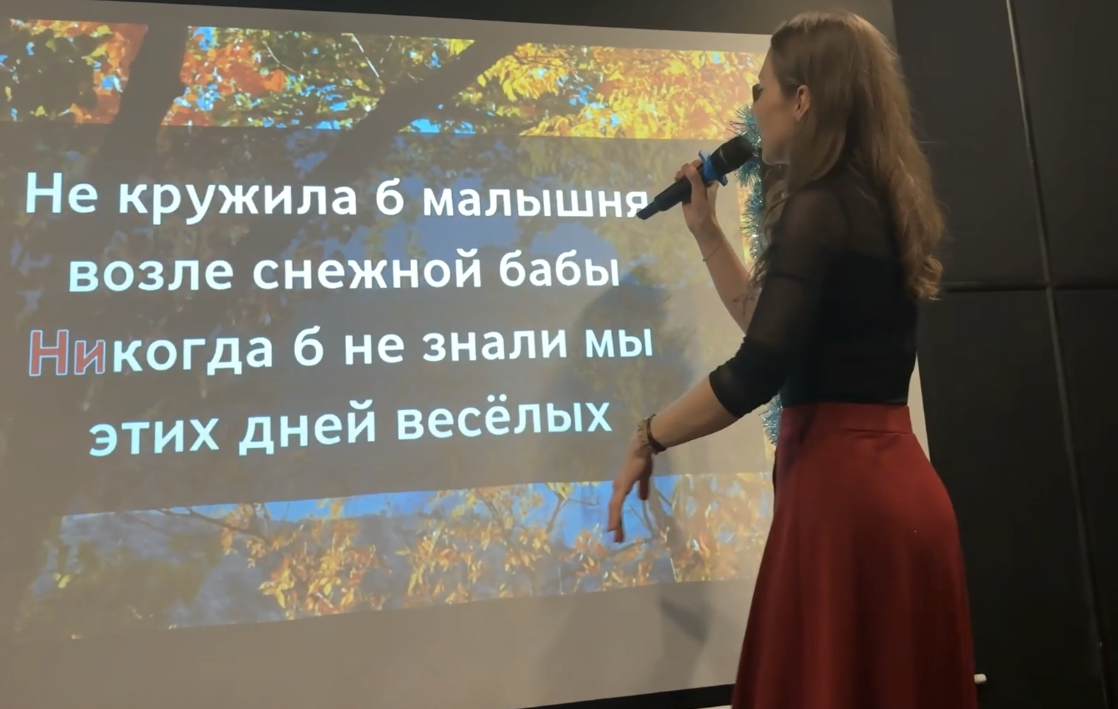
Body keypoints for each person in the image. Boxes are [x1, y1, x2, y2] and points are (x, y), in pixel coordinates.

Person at [606, 10, 978, 709]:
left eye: (762, 89)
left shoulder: (820, 205)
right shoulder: (873, 197)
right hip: (895, 497)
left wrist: (647, 435)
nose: (755, 108)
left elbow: (757, 369)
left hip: (846, 505)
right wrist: (707, 231)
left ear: (801, 100)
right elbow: (770, 321)